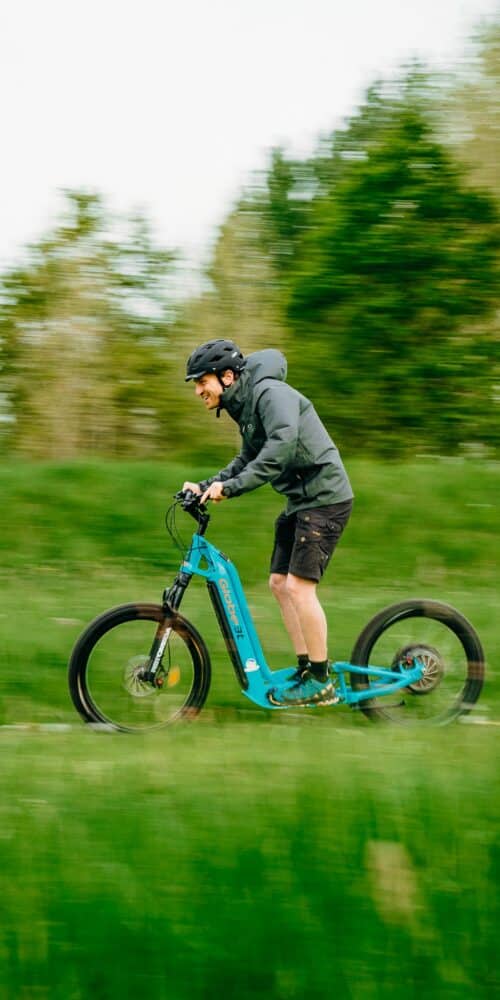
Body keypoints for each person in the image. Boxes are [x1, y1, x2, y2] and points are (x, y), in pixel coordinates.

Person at [182, 338, 353, 706]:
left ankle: (321, 681)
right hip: (301, 501)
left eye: (202, 382)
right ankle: (306, 667)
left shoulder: (270, 394)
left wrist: (231, 488)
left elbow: (279, 450)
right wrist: (207, 485)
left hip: (324, 499)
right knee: (279, 584)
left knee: (299, 588)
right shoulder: (244, 405)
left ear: (227, 377)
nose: (198, 391)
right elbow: (246, 459)